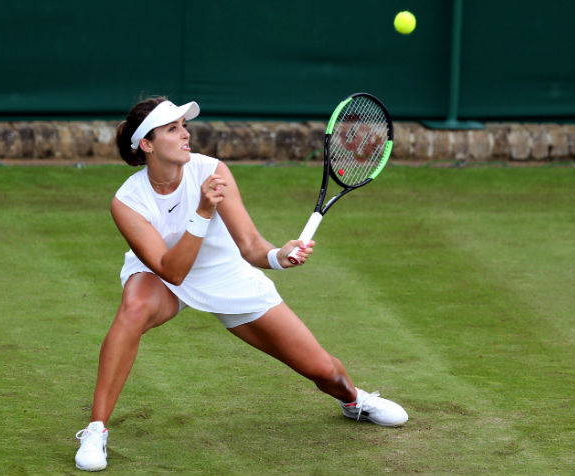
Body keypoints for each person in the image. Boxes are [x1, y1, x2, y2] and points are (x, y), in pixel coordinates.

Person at [74, 96, 408, 471]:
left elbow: (249, 245)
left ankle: (353, 400)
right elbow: (173, 272)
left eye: (184, 126)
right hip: (164, 275)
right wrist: (202, 211)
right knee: (133, 308)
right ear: (147, 145)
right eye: (173, 129)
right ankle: (96, 429)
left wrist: (278, 256)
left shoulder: (213, 170)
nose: (186, 134)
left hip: (225, 275)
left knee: (324, 371)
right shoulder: (128, 201)